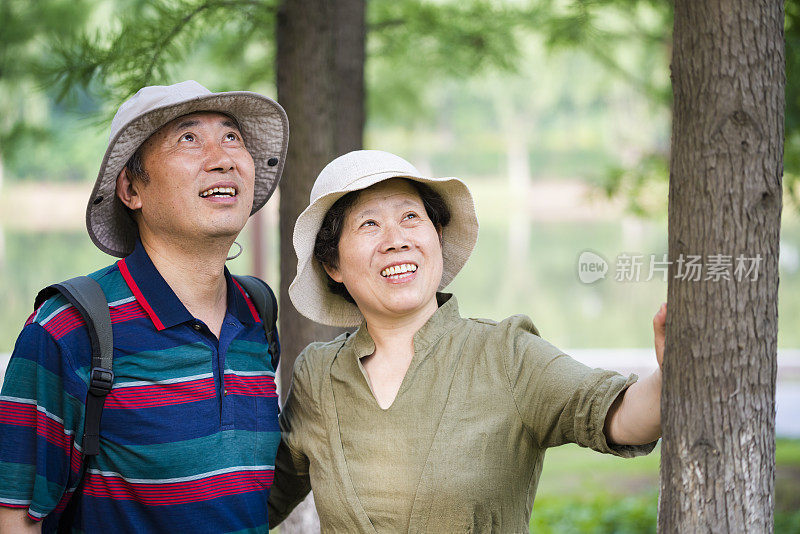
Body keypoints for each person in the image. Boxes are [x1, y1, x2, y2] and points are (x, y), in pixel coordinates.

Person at [267, 150, 666, 532]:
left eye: (410, 217)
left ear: (436, 236)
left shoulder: (506, 354)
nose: (396, 240)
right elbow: (252, 501)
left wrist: (670, 373)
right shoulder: (317, 377)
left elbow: (621, 415)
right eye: (369, 224)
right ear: (332, 264)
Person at [0, 80, 288, 532]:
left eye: (232, 137)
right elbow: (15, 518)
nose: (222, 157)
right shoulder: (69, 328)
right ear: (131, 189)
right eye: (188, 139)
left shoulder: (257, 315)